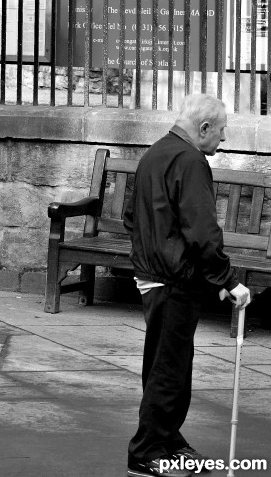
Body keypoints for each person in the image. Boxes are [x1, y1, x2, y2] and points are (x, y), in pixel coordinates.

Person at [123, 93, 251, 477]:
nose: (224, 138)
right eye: (223, 129)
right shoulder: (190, 160)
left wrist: (153, 254)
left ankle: (168, 441)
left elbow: (133, 217)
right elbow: (202, 231)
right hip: (172, 279)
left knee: (165, 362)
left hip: (156, 275)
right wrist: (228, 279)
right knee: (170, 368)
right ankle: (147, 451)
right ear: (205, 128)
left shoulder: (157, 152)